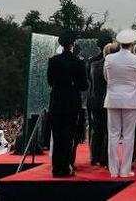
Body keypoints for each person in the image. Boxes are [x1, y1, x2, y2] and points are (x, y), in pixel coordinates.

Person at [104, 29, 136, 178]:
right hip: (130, 100)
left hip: (113, 99)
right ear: (132, 43)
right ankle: (125, 170)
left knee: (113, 134)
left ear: (119, 43)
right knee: (128, 135)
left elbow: (106, 77)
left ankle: (113, 170)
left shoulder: (109, 58)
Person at [47, 30, 88, 177]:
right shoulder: (78, 62)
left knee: (57, 135)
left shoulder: (53, 60)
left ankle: (56, 167)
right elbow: (84, 86)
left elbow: (50, 81)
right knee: (69, 135)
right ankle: (66, 165)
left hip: (57, 101)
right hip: (72, 102)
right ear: (72, 44)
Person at [89, 41, 119, 166]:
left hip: (95, 100)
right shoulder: (113, 67)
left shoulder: (94, 65)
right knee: (108, 130)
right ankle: (105, 157)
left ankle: (95, 156)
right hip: (108, 100)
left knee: (97, 130)